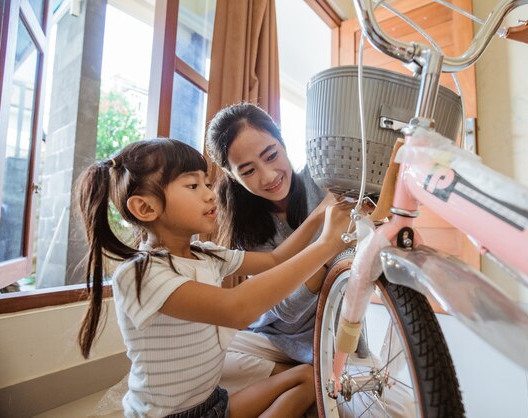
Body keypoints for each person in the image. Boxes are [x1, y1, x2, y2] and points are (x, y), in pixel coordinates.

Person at [75, 137, 352, 418]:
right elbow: (236, 309)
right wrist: (327, 245)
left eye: (207, 184)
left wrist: (320, 216)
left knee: (309, 377)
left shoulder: (206, 254)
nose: (210, 194)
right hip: (169, 416)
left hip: (213, 402)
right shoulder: (140, 273)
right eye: (193, 186)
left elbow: (275, 259)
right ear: (146, 208)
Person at [206, 103, 355, 392]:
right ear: (234, 177)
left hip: (331, 337)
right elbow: (286, 310)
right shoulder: (246, 226)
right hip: (271, 339)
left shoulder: (322, 178)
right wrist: (327, 247)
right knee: (203, 371)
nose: (268, 176)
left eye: (271, 155)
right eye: (248, 171)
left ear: (283, 143)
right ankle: (299, 379)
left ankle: (301, 381)